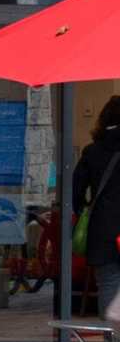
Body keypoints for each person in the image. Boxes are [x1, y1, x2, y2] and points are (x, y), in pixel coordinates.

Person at [75, 97, 120, 323]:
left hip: (103, 229)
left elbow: (75, 191)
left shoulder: (92, 151)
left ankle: (112, 340)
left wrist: (84, 211)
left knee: (108, 283)